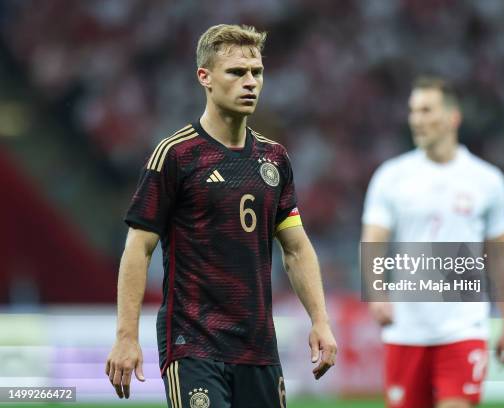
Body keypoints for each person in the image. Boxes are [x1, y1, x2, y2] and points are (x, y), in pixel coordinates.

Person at [105, 24, 337, 408]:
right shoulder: (176, 155)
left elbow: (296, 249)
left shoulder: (274, 159)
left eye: (257, 72)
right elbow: (138, 248)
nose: (250, 83)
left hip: (259, 346)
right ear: (205, 77)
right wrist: (126, 335)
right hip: (193, 342)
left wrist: (320, 320)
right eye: (236, 72)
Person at [361, 76, 504, 408]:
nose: (416, 118)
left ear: (452, 117)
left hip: (463, 326)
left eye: (426, 110)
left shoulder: (487, 180)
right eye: (413, 110)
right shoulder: (391, 176)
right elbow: (374, 240)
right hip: (405, 328)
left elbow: (501, 255)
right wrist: (376, 293)